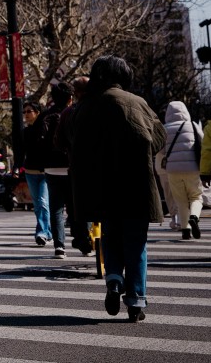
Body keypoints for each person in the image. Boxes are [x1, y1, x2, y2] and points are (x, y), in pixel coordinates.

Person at [72, 55, 165, 323]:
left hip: (100, 186)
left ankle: (113, 279)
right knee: (136, 243)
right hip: (136, 184)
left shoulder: (84, 107)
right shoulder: (137, 103)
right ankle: (136, 301)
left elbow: (68, 139)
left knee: (111, 236)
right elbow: (158, 137)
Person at [41, 81, 89, 258]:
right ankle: (82, 241)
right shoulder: (76, 112)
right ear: (71, 97)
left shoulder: (45, 116)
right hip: (73, 165)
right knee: (78, 205)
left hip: (51, 167)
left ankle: (59, 246)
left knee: (56, 208)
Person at [56, 76, 92, 254]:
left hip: (78, 166)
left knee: (77, 203)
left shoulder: (68, 113)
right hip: (105, 165)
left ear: (75, 94)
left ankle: (81, 236)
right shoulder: (102, 108)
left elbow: (59, 142)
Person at [160, 101, 204, 240]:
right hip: (193, 168)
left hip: (173, 170)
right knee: (196, 197)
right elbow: (202, 143)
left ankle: (185, 230)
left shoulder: (165, 129)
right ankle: (194, 217)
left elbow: (161, 150)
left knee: (181, 200)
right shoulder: (193, 125)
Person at [13, 99, 52, 247]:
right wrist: (16, 167)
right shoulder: (25, 132)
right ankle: (47, 232)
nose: (26, 114)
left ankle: (41, 232)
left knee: (43, 202)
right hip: (30, 171)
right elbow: (20, 152)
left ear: (37, 113)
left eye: (29, 111)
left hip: (45, 172)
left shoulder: (46, 128)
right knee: (37, 204)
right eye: (24, 112)